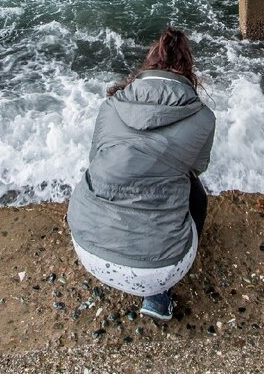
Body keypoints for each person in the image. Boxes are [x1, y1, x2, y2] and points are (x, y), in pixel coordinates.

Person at [66, 27, 215, 322]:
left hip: (87, 248)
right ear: (188, 69)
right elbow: (196, 169)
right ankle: (158, 295)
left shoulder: (112, 105)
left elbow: (95, 157)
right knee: (195, 193)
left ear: (148, 66)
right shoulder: (202, 116)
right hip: (160, 269)